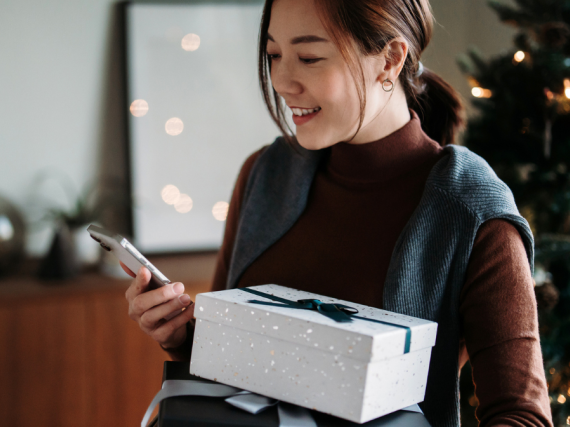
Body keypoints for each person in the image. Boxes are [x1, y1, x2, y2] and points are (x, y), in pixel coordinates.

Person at [123, 0, 553, 426]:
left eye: (309, 57)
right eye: (274, 54)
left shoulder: (472, 211)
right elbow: (229, 362)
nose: (282, 80)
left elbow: (522, 416)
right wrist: (182, 336)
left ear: (389, 59)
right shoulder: (264, 174)